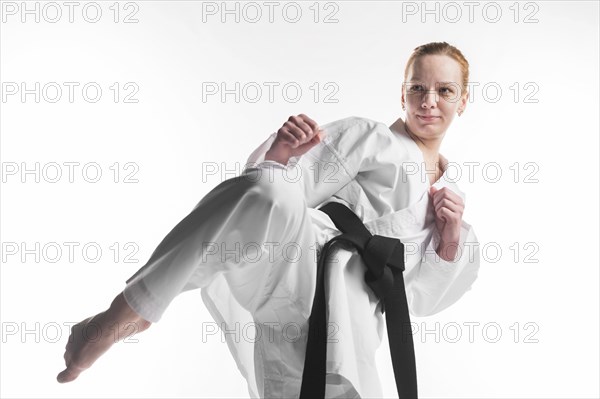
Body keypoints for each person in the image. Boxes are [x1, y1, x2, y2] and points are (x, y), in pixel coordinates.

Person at [57, 41, 480, 398]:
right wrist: (280, 158)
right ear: (401, 94)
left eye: (444, 91)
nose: (428, 101)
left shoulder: (453, 208)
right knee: (268, 190)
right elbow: (271, 197)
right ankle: (132, 311)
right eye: (417, 88)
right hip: (296, 264)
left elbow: (422, 301)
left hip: (353, 322)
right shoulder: (371, 138)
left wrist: (447, 243)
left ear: (462, 101)